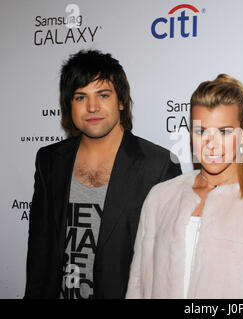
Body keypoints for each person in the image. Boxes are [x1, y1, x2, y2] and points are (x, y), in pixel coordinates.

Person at [24, 50, 182, 299]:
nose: (92, 107)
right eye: (80, 97)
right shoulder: (49, 160)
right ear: (69, 105)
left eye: (103, 94)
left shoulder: (159, 165)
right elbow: (39, 249)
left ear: (121, 101)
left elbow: (168, 261)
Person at [126, 74, 243, 299]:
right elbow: (139, 286)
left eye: (224, 132)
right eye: (201, 131)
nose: (211, 144)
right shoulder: (161, 197)